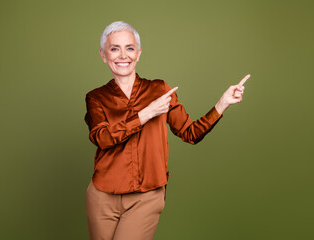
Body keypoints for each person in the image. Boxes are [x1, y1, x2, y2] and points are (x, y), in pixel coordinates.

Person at [84, 21, 248, 240]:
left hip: (146, 196)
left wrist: (222, 104)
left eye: (129, 48)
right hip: (102, 196)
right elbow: (102, 138)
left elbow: (191, 133)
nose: (123, 55)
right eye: (115, 48)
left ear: (138, 53)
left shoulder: (159, 90)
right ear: (104, 55)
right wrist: (146, 114)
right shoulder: (95, 97)